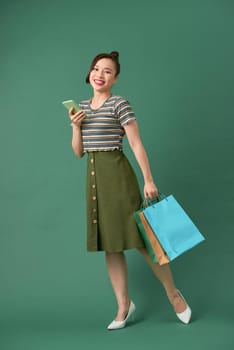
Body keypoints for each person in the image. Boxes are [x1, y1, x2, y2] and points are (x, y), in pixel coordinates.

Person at [68, 51, 192, 330]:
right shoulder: (81, 108)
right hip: (94, 179)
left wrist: (148, 180)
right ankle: (124, 305)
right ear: (89, 74)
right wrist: (75, 127)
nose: (100, 74)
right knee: (110, 246)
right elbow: (78, 152)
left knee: (142, 240)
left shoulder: (119, 104)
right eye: (96, 69)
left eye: (108, 71)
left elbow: (136, 144)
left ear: (116, 77)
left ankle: (173, 294)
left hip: (118, 176)